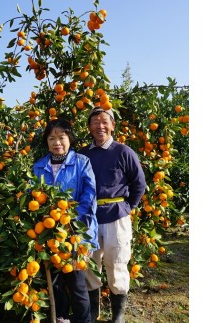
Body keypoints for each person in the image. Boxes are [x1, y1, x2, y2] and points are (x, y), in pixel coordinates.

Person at [78, 108, 146, 323]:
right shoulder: (83, 155)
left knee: (117, 264)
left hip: (116, 217)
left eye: (104, 121)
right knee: (89, 265)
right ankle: (93, 312)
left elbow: (139, 183)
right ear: (89, 127)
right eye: (95, 122)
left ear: (113, 125)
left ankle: (118, 316)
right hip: (89, 219)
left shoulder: (123, 152)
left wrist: (128, 207)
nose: (100, 126)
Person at [33, 118, 98, 323]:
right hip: (49, 233)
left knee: (77, 285)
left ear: (69, 139)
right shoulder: (39, 166)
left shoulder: (81, 162)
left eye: (61, 137)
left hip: (76, 233)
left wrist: (72, 217)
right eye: (52, 138)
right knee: (56, 284)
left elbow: (89, 193)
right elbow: (32, 194)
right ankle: (61, 319)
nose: (57, 142)